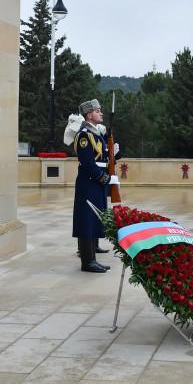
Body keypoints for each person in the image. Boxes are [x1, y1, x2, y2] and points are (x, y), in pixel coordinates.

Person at [65, 99, 120, 273]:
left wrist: (115, 153)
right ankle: (87, 262)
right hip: (90, 182)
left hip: (96, 182)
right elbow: (88, 163)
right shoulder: (84, 135)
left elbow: (105, 159)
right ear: (89, 115)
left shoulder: (96, 134)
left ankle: (92, 258)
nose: (101, 113)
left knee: (95, 217)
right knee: (86, 220)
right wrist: (103, 178)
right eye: (98, 111)